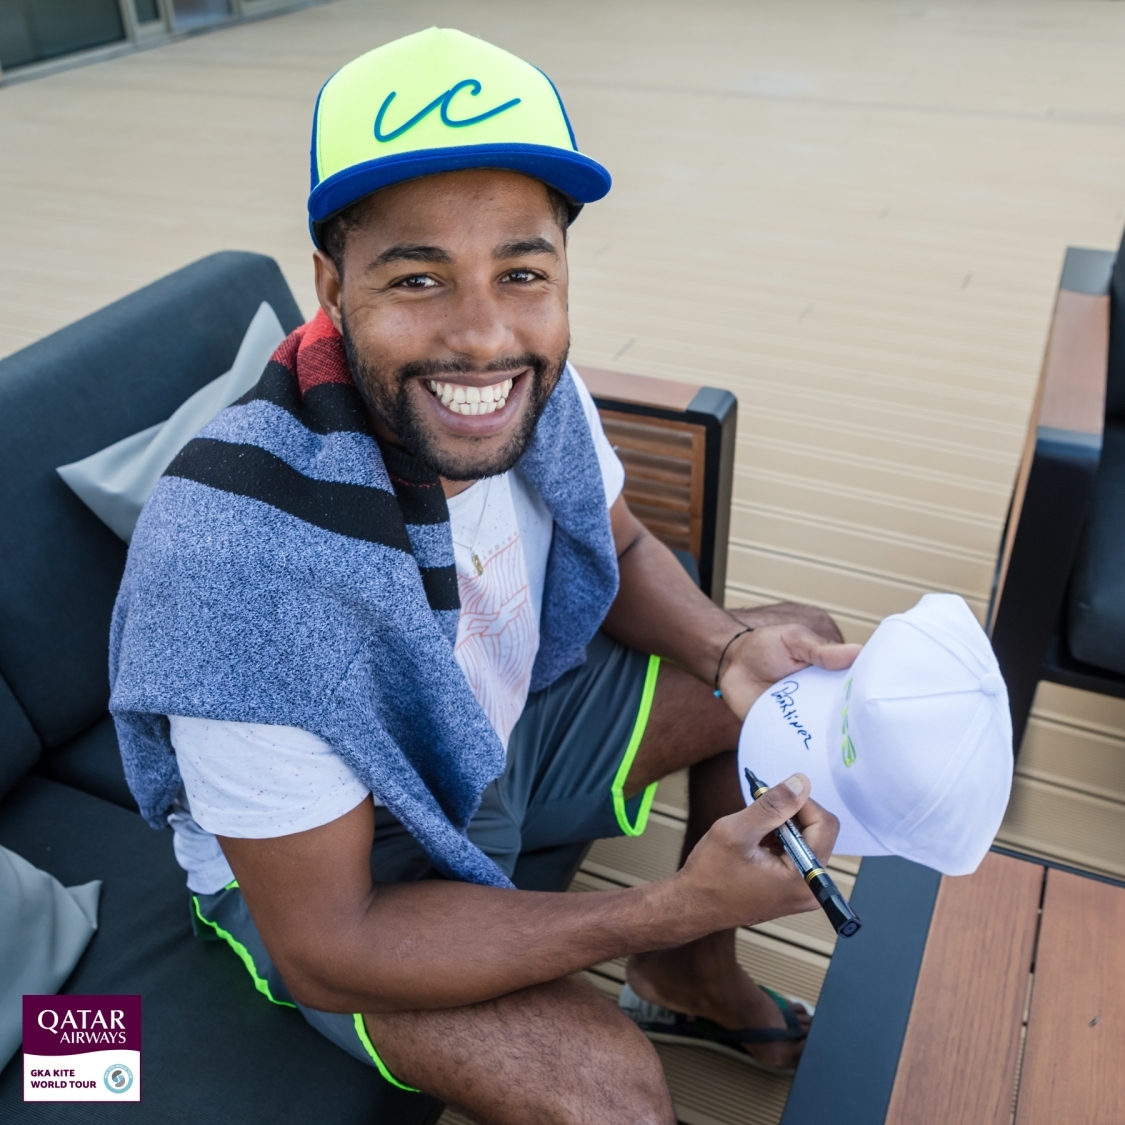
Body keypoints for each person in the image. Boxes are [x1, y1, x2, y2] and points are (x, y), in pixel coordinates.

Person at [110, 27, 860, 1124]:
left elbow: (627, 547)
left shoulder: (532, 384)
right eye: (418, 277)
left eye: (522, 272)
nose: (482, 334)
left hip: (497, 731)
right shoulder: (237, 575)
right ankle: (674, 943)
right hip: (349, 861)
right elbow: (331, 944)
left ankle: (690, 976)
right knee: (610, 1098)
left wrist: (730, 649)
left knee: (791, 661)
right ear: (332, 287)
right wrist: (668, 903)